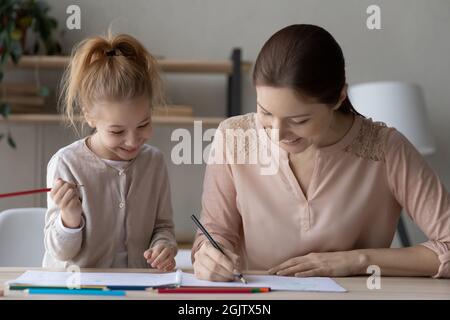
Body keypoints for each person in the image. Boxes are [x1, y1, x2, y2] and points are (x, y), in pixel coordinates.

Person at [192, 24, 450, 281]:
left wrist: (356, 260)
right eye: (266, 113)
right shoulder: (233, 138)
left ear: (338, 98)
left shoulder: (386, 149)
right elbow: (214, 236)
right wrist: (209, 256)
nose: (277, 134)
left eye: (299, 120)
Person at [43, 33, 177, 269]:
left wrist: (163, 246)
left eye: (143, 125)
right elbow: (60, 253)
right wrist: (70, 218)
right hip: (79, 290)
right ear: (89, 116)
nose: (133, 140)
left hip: (139, 288)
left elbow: (163, 227)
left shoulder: (154, 162)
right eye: (117, 131)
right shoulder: (67, 163)